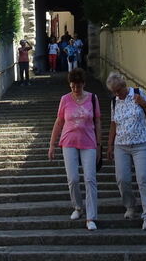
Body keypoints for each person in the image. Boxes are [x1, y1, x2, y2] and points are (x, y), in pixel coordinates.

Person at [48, 68, 101, 230]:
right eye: (72, 87)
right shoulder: (65, 99)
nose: (76, 90)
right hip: (68, 141)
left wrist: (99, 143)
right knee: (73, 179)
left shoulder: (93, 98)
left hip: (89, 142)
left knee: (90, 179)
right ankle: (78, 207)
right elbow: (59, 122)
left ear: (83, 84)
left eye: (78, 86)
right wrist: (52, 144)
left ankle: (91, 217)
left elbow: (98, 121)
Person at [106, 71, 146, 231]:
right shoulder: (114, 102)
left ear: (124, 85)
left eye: (118, 90)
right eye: (113, 91)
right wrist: (109, 145)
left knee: (143, 178)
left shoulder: (137, 93)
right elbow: (113, 124)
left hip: (141, 144)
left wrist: (143, 103)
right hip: (121, 145)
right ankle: (130, 206)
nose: (116, 94)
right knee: (122, 179)